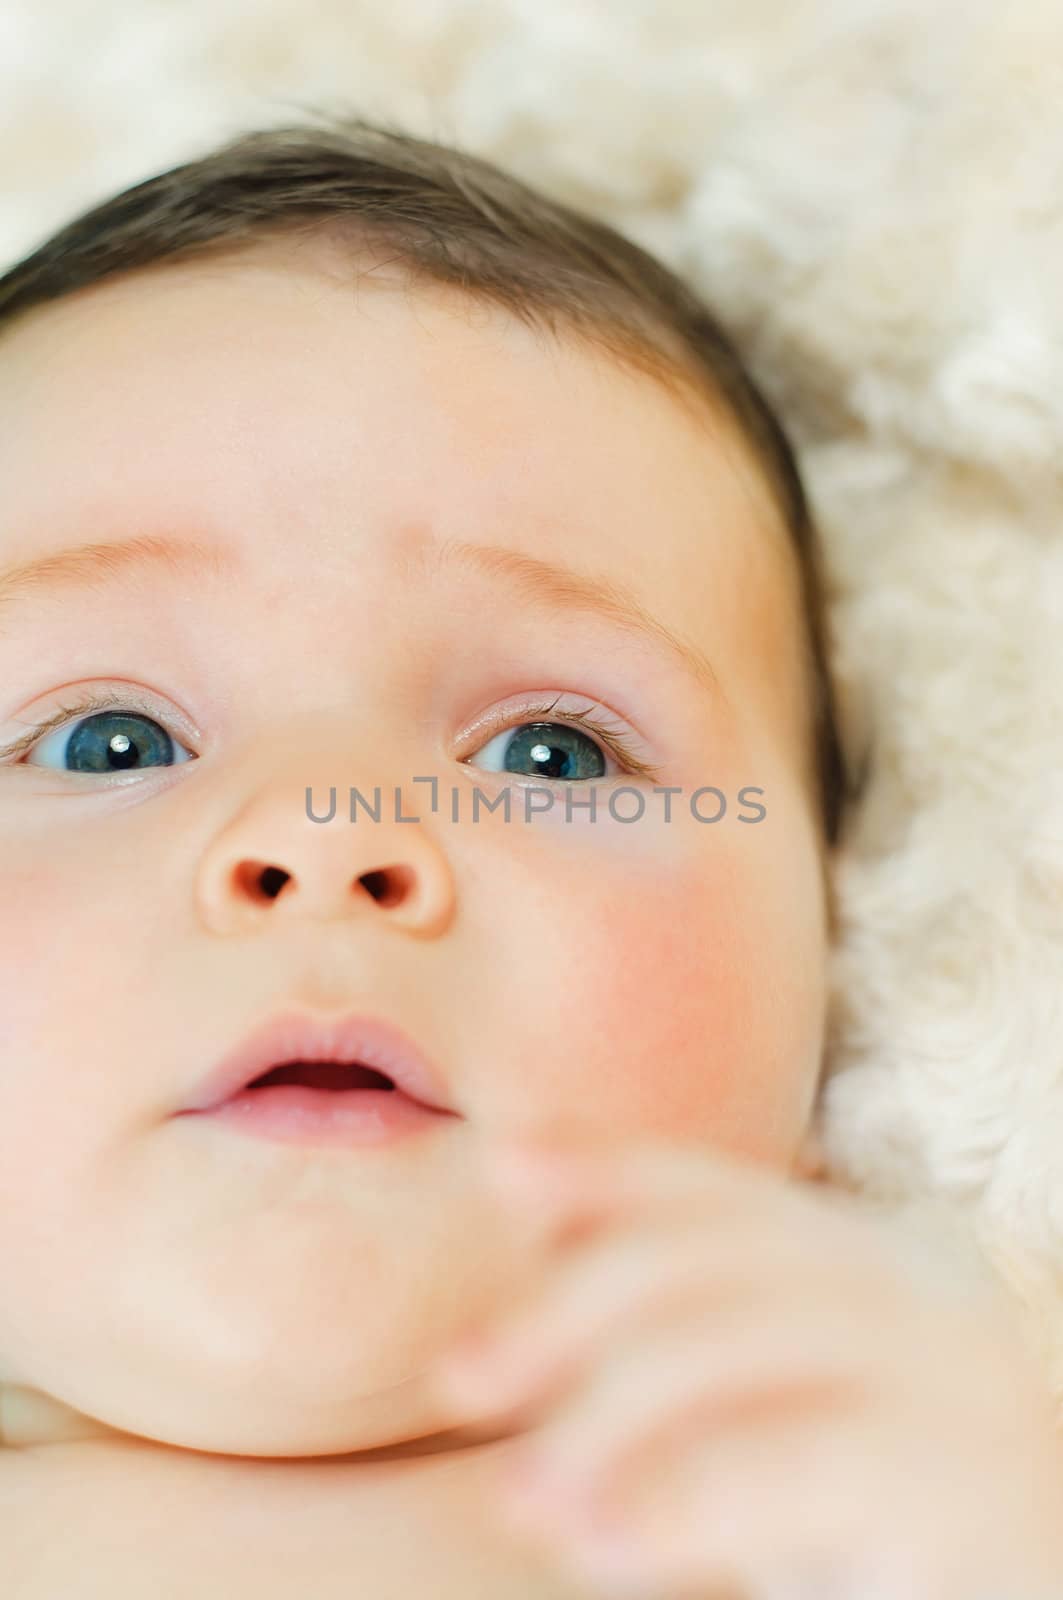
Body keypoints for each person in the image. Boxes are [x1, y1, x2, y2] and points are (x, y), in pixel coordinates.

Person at [0, 113, 1059, 1598]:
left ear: (828, 944)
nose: (323, 837)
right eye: (110, 740)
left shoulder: (890, 1492)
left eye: (549, 754)